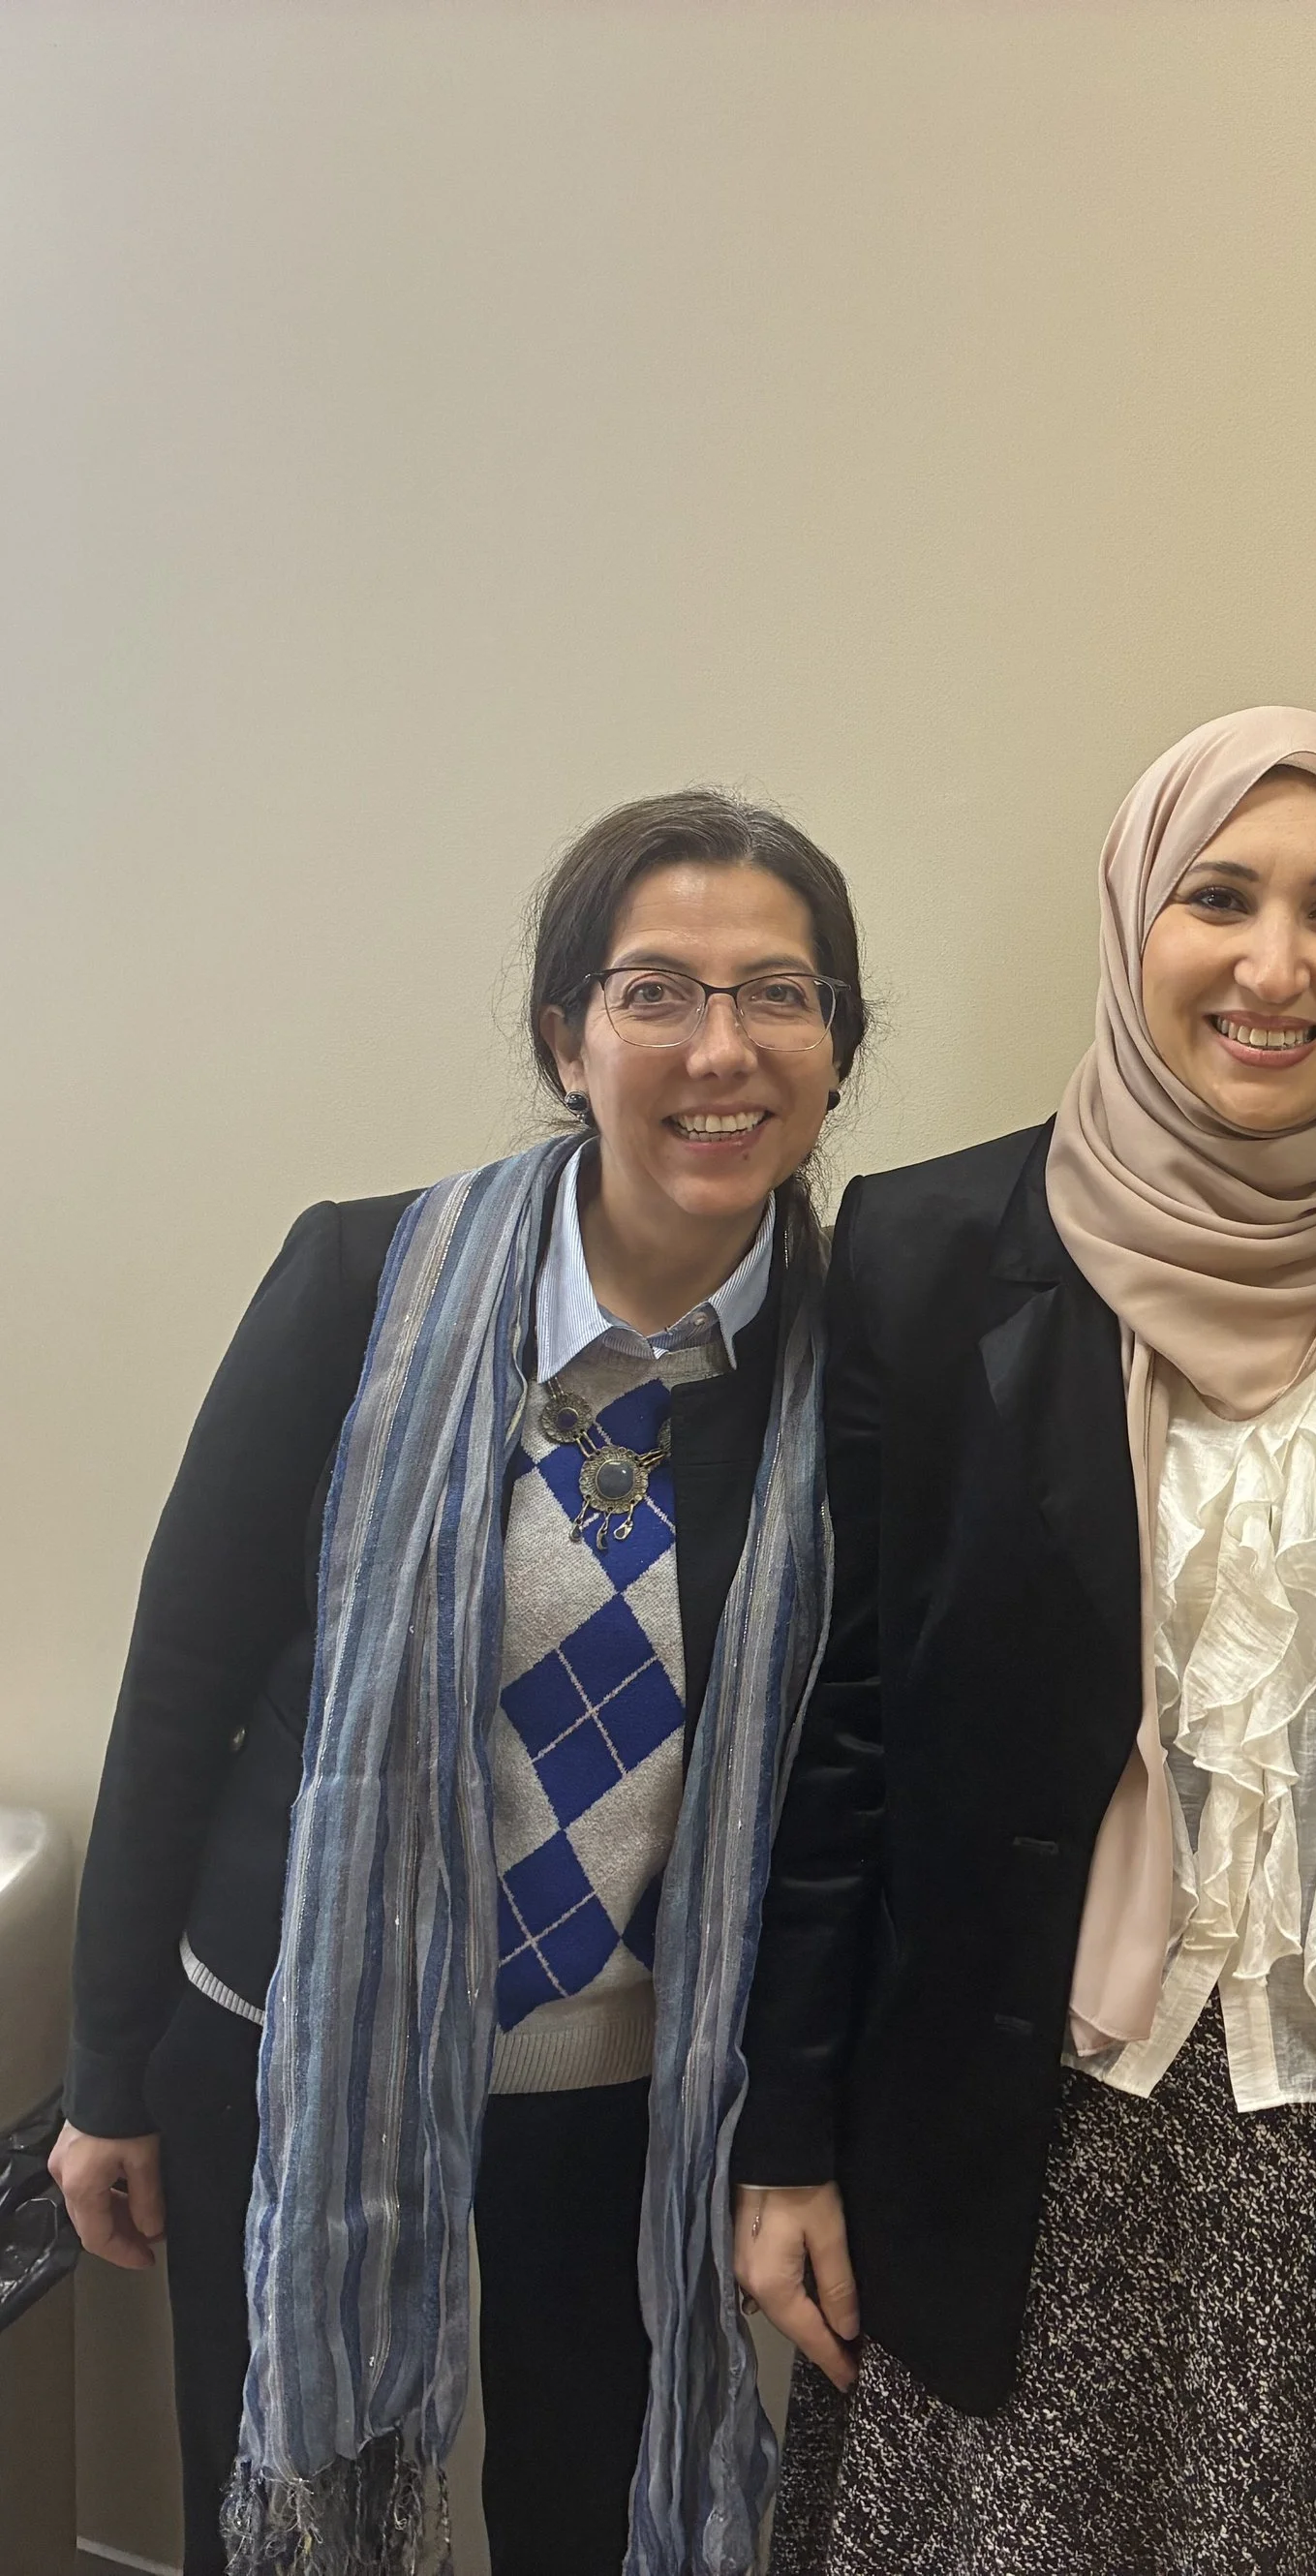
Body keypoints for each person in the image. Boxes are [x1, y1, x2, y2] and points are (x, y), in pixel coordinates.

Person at [733, 710, 1316, 2575]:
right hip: (1018, 2133)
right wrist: (785, 2136)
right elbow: (841, 1729)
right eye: (1219, 897)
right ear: (1132, 923)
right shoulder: (931, 1250)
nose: (1274, 965)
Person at [53, 791, 865, 2576]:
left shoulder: (860, 1358)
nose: (719, 1049)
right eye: (657, 993)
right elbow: (182, 1679)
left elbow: (843, 1778)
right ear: (568, 1040)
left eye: (778, 995)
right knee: (270, 2504)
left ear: (834, 1049)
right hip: (296, 2044)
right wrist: (108, 2063)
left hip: (629, 2090)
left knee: (585, 2510)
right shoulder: (363, 1279)